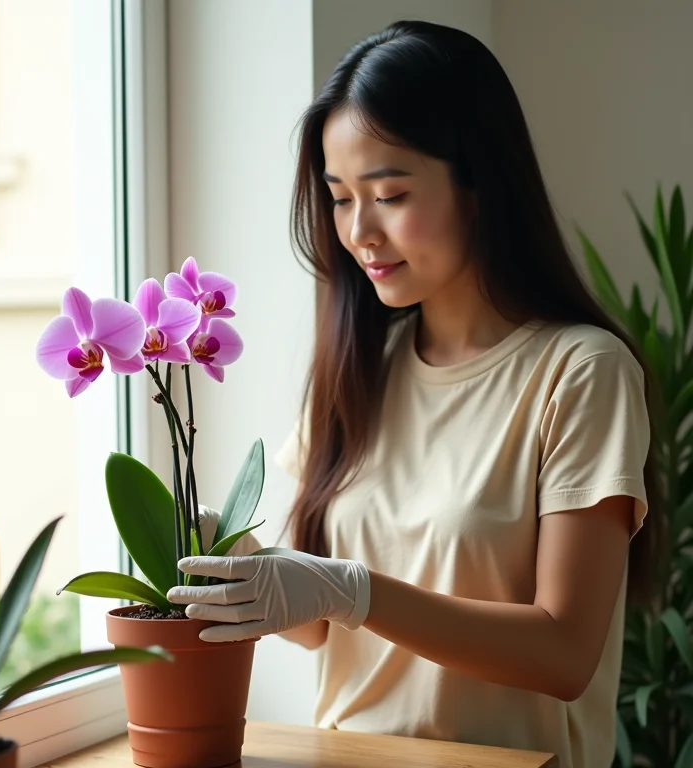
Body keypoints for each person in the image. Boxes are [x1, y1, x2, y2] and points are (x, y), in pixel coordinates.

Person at [166, 20, 663, 768]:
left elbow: (565, 653)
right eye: (338, 198)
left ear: (479, 185)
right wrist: (240, 558)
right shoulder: (359, 370)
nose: (359, 231)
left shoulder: (580, 373)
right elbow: (317, 625)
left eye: (389, 193)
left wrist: (352, 590)